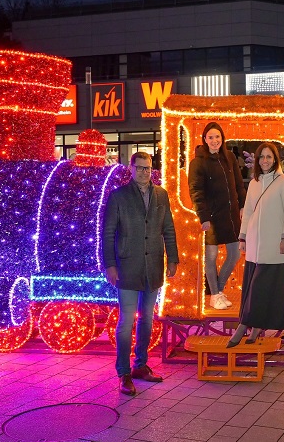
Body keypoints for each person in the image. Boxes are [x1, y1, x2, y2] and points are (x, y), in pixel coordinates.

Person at [102, 152, 178, 396]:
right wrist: (110, 265)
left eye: (148, 168)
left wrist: (173, 258)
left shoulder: (161, 195)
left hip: (153, 265)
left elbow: (168, 228)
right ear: (131, 169)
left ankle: (141, 366)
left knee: (147, 318)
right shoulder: (119, 196)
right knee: (126, 322)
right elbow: (108, 233)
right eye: (140, 168)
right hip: (127, 265)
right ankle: (123, 372)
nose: (145, 172)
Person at [228, 142, 284, 347]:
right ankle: (256, 327)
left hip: (274, 246)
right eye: (262, 157)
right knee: (254, 288)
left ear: (275, 159)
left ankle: (244, 324)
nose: (265, 160)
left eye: (269, 157)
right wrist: (243, 237)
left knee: (259, 288)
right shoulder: (255, 183)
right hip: (255, 245)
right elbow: (248, 211)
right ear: (257, 160)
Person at [188, 122, 246, 310]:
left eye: (217, 137)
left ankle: (217, 291)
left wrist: (243, 206)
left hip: (230, 216)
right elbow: (196, 191)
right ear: (205, 139)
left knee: (235, 253)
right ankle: (214, 294)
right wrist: (203, 217)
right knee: (211, 256)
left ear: (222, 139)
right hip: (211, 217)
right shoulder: (198, 162)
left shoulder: (229, 157)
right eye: (211, 137)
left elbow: (238, 184)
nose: (214, 141)